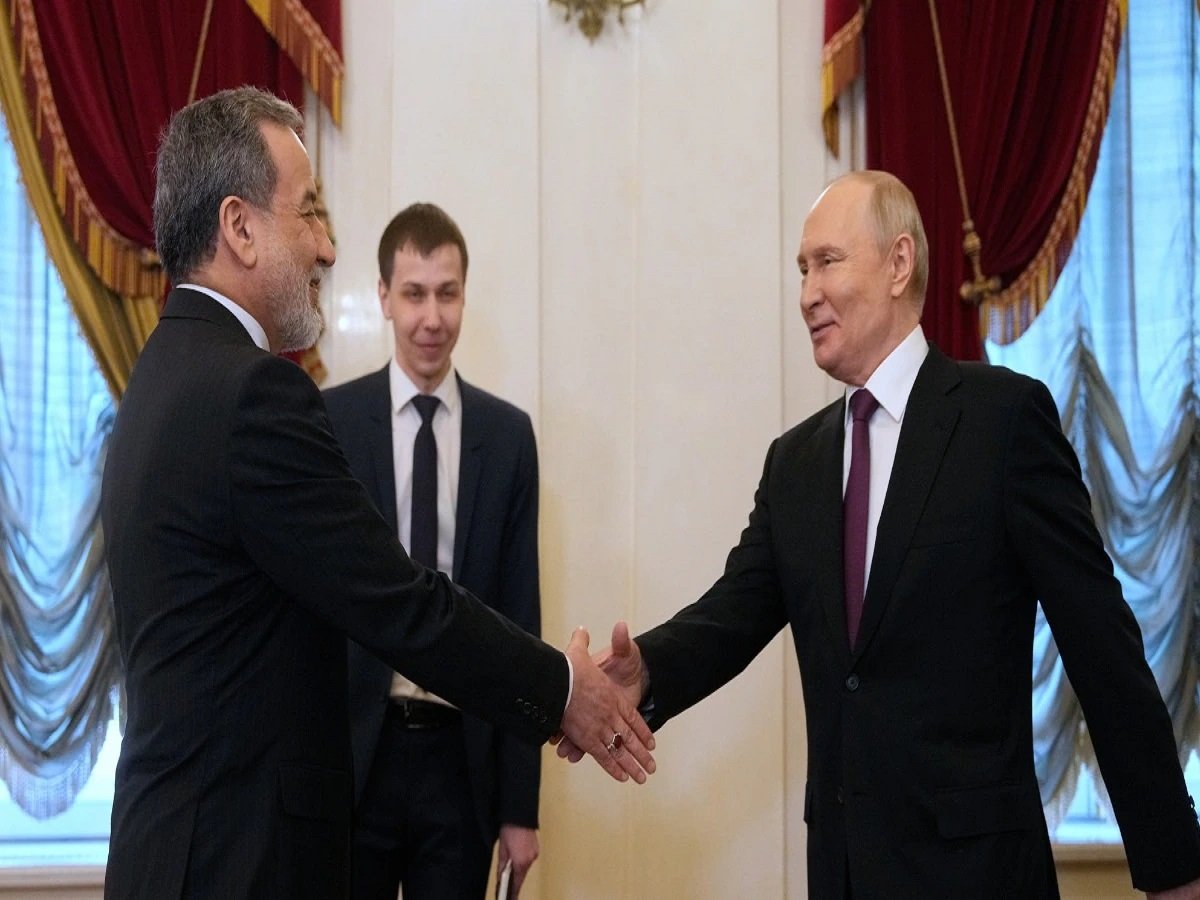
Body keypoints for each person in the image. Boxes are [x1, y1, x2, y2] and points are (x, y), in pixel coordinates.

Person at [564, 170, 1200, 899]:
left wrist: (1173, 864)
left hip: (979, 875)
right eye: (802, 269)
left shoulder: (1002, 422)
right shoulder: (795, 463)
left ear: (899, 263)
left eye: (828, 262)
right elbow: (732, 614)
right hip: (845, 874)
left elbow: (1100, 643)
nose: (807, 293)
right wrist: (646, 671)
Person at [100, 86, 653, 900]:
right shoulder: (253, 394)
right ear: (240, 228)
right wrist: (562, 689)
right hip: (236, 859)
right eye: (309, 212)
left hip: (178, 851)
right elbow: (399, 602)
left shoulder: (163, 372)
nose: (326, 248)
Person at [323, 203, 543, 898]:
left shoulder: (507, 438)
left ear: (464, 296)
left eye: (447, 294)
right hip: (354, 758)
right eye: (414, 294)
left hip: (461, 763)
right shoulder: (330, 423)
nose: (432, 318)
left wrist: (521, 807)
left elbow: (521, 621)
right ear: (383, 297)